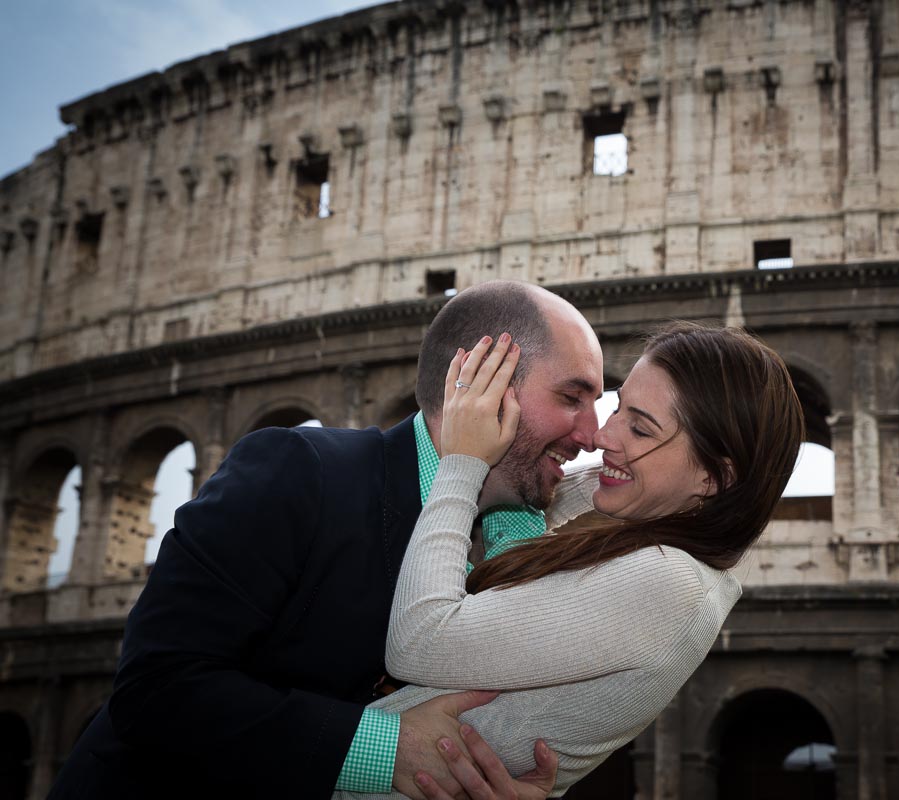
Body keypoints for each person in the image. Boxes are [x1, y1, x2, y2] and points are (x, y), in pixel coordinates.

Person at [49, 281, 604, 800]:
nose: (592, 435)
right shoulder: (299, 470)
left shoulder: (519, 528)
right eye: (572, 397)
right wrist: (387, 749)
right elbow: (156, 689)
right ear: (482, 381)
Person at [349, 321, 805, 799]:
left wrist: (463, 462)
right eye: (619, 406)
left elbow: (419, 642)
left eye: (641, 427)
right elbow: (521, 550)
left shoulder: (670, 583)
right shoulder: (632, 508)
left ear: (713, 478)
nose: (601, 435)